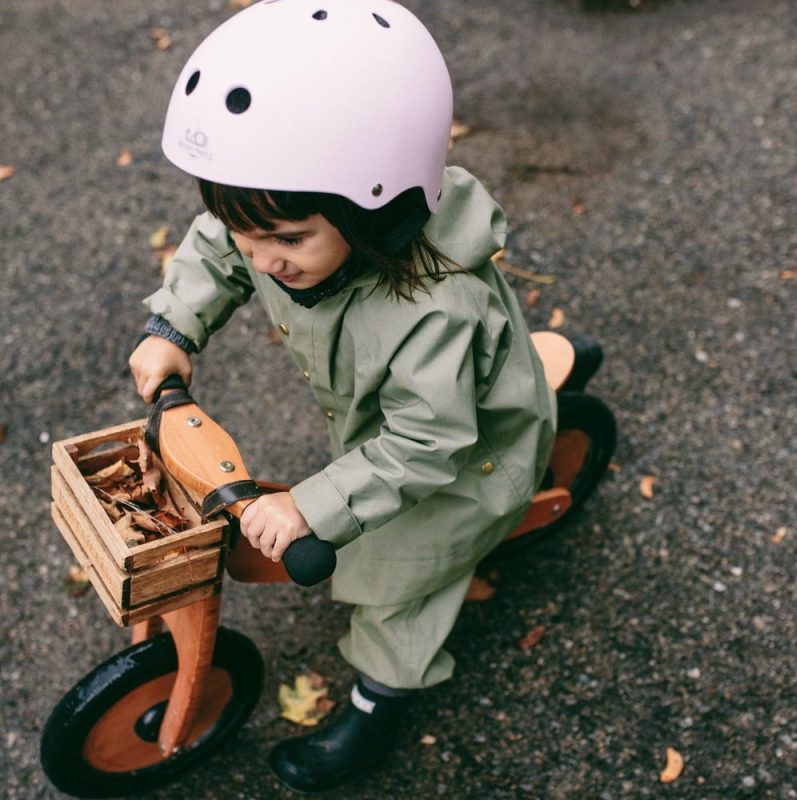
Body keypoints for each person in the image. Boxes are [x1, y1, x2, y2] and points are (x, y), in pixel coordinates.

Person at [129, 0, 556, 792]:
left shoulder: (433, 310)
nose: (264, 260)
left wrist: (314, 507)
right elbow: (219, 245)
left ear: (380, 209)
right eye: (250, 235)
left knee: (396, 578)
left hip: (462, 463)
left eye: (287, 241)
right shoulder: (280, 221)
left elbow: (427, 444)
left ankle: (377, 699)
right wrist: (174, 326)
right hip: (386, 428)